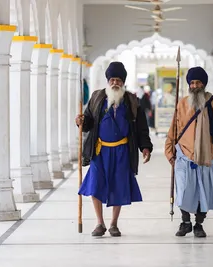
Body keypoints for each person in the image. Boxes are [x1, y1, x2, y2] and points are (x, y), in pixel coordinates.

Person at [75, 61, 153, 237]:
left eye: (118, 80)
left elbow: (141, 128)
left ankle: (113, 224)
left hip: (122, 151)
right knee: (95, 185)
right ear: (108, 81)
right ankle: (99, 223)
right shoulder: (96, 97)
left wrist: (145, 147)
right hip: (100, 150)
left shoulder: (133, 101)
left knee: (119, 186)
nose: (115, 83)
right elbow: (88, 122)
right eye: (112, 80)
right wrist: (81, 122)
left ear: (123, 82)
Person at [165, 66, 213, 238]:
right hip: (183, 155)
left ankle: (199, 225)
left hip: (205, 158)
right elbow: (173, 130)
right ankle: (185, 222)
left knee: (203, 192)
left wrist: (210, 151)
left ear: (204, 84)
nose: (195, 86)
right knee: (184, 190)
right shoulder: (182, 104)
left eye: (198, 82)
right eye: (192, 83)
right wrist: (169, 151)